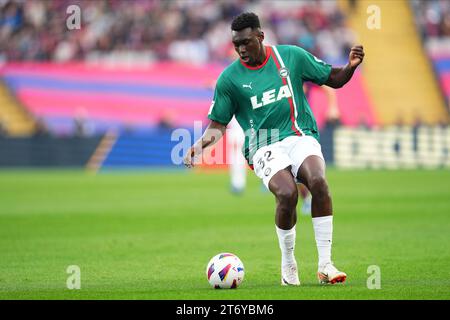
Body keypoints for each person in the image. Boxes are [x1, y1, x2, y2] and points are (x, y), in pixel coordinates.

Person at [184, 12, 364, 285]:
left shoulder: (290, 57)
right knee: (288, 193)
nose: (242, 49)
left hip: (299, 134)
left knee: (318, 182)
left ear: (260, 36)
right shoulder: (229, 79)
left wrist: (350, 67)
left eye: (246, 42)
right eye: (236, 45)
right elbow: (217, 124)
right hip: (262, 144)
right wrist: (199, 146)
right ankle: (289, 262)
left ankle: (325, 264)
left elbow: (333, 79)